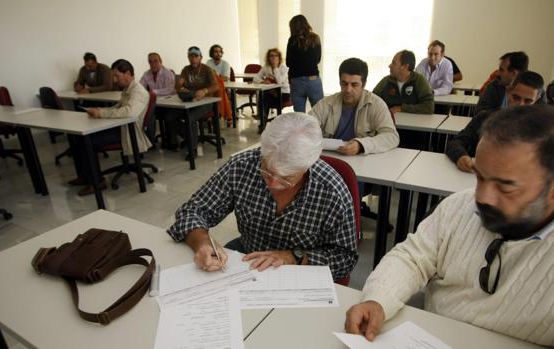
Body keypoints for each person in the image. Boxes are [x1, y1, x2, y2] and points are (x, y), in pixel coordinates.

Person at [345, 105, 554, 348]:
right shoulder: (459, 205)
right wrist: (377, 300)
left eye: (505, 185)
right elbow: (412, 257)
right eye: (480, 175)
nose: (482, 197)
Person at [166, 112, 358, 280]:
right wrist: (202, 242)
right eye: (267, 171)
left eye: (286, 178)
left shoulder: (332, 191)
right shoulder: (242, 166)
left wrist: (294, 256)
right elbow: (191, 211)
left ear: (308, 166)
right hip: (248, 259)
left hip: (299, 274)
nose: (273, 184)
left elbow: (345, 259)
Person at [70, 59, 151, 196]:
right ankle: (85, 176)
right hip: (122, 127)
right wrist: (100, 110)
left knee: (89, 141)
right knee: (78, 137)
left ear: (127, 73)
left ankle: (97, 181)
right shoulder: (128, 89)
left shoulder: (138, 92)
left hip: (129, 132)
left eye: (116, 76)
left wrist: (101, 113)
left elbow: (129, 112)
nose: (114, 80)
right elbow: (119, 107)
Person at [446, 71, 545, 173]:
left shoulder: (542, 131)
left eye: (528, 101)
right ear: (508, 92)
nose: (521, 105)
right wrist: (461, 156)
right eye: (516, 97)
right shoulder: (485, 118)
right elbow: (455, 143)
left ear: (537, 99)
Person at [309, 58, 399, 155]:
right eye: (344, 83)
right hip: (330, 157)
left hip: (362, 160)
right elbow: (303, 127)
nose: (348, 89)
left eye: (354, 85)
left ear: (363, 84)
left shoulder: (377, 104)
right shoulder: (326, 103)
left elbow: (392, 136)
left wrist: (361, 145)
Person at [373, 50, 434, 149]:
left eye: (393, 63)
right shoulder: (386, 81)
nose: (389, 66)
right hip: (389, 129)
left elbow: (429, 107)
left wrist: (402, 108)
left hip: (414, 134)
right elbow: (373, 101)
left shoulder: (419, 81)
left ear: (405, 66)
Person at [163, 46, 219, 151]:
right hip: (189, 101)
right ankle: (183, 139)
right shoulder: (186, 69)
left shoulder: (207, 69)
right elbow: (178, 86)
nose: (193, 58)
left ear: (201, 57)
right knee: (169, 116)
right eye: (190, 56)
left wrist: (205, 91)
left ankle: (193, 148)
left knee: (190, 118)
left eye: (196, 56)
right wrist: (180, 86)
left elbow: (216, 86)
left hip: (205, 102)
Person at [286, 14, 324, 112]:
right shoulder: (315, 38)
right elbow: (318, 59)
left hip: (296, 81)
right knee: (319, 113)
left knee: (299, 117)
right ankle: (318, 128)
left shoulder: (292, 40)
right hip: (313, 80)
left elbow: (288, 62)